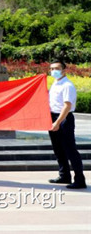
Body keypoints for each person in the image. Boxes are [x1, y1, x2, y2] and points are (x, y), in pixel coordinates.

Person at [48, 60, 86, 189]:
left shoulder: (67, 85)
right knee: (58, 149)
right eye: (51, 69)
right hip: (53, 117)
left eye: (56, 68)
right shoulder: (55, 83)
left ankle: (80, 180)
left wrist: (58, 122)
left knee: (70, 150)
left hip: (64, 118)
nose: (53, 71)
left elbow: (67, 106)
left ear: (64, 70)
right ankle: (64, 175)